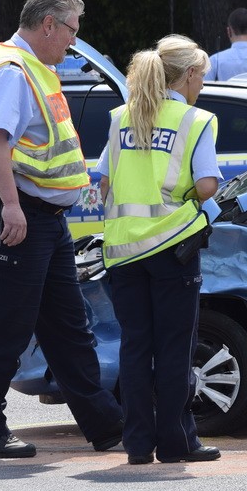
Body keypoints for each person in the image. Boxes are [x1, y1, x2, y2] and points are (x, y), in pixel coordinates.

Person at [0, 0, 124, 458]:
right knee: (5, 326)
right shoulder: (12, 71)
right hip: (14, 215)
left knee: (68, 326)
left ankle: (106, 425)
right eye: (72, 29)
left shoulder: (39, 69)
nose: (74, 42)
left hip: (45, 220)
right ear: (48, 24)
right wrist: (12, 207)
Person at [97, 34, 222, 465]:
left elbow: (105, 181)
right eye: (201, 76)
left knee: (135, 347)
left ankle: (136, 444)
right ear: (187, 74)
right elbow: (206, 186)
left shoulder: (119, 118)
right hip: (172, 248)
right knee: (174, 348)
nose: (202, 84)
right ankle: (175, 442)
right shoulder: (195, 120)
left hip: (123, 252)